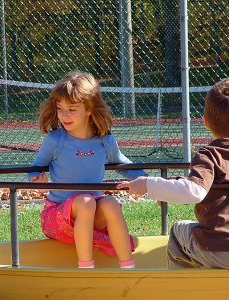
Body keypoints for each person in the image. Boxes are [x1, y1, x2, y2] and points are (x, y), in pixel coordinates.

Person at [117, 78, 229, 269]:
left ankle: (184, 290)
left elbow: (194, 190)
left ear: (205, 122)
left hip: (219, 251)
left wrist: (147, 184)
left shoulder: (208, 155)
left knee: (177, 231)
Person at [27, 71, 147, 268]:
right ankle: (86, 268)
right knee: (86, 201)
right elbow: (35, 168)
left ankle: (128, 267)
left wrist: (148, 181)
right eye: (60, 108)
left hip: (90, 217)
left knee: (110, 203)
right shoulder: (55, 140)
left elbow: (123, 164)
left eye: (72, 109)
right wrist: (34, 177)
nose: (64, 115)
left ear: (89, 108)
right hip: (57, 218)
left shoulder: (104, 141)